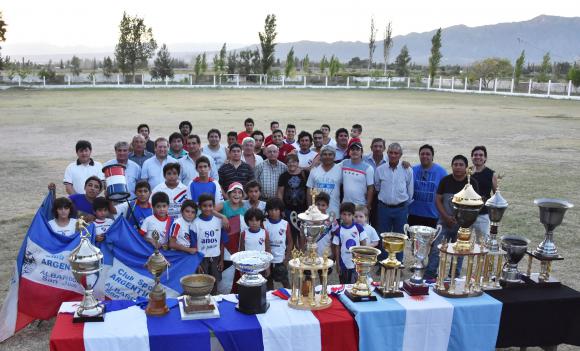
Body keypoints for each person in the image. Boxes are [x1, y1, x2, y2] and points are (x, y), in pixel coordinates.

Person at [424, 155, 479, 280]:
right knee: (436, 249)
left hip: (463, 226)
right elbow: (438, 200)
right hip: (444, 222)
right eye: (455, 164)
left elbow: (476, 203)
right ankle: (430, 275)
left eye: (461, 165)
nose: (458, 167)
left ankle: (454, 276)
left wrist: (464, 221)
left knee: (460, 252)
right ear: (452, 166)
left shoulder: (472, 183)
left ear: (466, 167)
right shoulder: (445, 180)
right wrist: (446, 217)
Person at [374, 142, 413, 261]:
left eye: (396, 153)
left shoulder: (407, 169)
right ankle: (383, 262)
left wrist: (404, 204)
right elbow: (377, 186)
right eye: (391, 152)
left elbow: (410, 190)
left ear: (400, 155)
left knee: (400, 237)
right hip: (384, 208)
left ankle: (398, 262)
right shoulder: (380, 169)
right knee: (383, 236)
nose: (393, 155)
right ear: (387, 153)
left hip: (401, 208)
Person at [191, 193, 228, 294]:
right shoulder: (195, 224)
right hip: (202, 259)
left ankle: (214, 302)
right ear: (199, 207)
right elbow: (193, 247)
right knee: (202, 283)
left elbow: (222, 243)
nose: (207, 208)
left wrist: (221, 260)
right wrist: (197, 264)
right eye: (204, 206)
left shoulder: (219, 221)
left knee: (214, 283)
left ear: (213, 206)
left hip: (216, 258)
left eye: (210, 206)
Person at [408, 144, 448, 228]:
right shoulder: (412, 170)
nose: (424, 156)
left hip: (433, 216)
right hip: (414, 214)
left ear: (432, 156)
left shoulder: (441, 172)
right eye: (422, 154)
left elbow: (444, 195)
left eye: (428, 154)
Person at [277, 153, 308, 247]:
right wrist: (281, 209)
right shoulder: (283, 176)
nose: (291, 164)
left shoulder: (305, 174)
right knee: (291, 233)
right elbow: (280, 193)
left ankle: (302, 252)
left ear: (298, 163)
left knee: (302, 233)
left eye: (294, 162)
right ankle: (293, 253)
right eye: (289, 162)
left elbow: (309, 192)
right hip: (288, 210)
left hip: (303, 210)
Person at [332, 202, 368, 284]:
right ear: (340, 215)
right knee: (344, 285)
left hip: (356, 262)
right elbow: (337, 247)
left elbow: (364, 244)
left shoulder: (359, 228)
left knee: (356, 284)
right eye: (344, 214)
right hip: (343, 262)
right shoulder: (338, 230)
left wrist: (363, 260)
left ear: (353, 215)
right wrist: (337, 263)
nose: (346, 217)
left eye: (349, 215)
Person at [264, 197, 293, 289]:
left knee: (285, 282)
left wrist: (287, 258)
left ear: (280, 211)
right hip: (267, 260)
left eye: (276, 210)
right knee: (268, 283)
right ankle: (270, 301)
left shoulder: (285, 224)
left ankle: (290, 298)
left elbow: (290, 242)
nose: (273, 212)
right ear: (267, 211)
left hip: (280, 259)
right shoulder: (264, 223)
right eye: (271, 210)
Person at [471, 145, 498, 243]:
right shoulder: (466, 172)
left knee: (482, 244)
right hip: (466, 214)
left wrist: (494, 215)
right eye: (475, 155)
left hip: (483, 214)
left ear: (485, 158)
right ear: (472, 157)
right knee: (462, 241)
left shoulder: (491, 174)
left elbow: (496, 195)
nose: (478, 157)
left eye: (481, 155)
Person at [307, 145, 342, 217]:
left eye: (330, 154)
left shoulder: (340, 169)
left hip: (334, 211)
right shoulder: (314, 170)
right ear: (321, 156)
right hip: (317, 212)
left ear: (334, 156)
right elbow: (309, 190)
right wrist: (310, 208)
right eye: (325, 154)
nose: (327, 157)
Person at [341, 141, 374, 210]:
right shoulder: (344, 163)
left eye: (357, 150)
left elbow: (370, 188)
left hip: (361, 205)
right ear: (349, 152)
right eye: (352, 149)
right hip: (346, 204)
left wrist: (368, 205)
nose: (355, 151)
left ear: (361, 152)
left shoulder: (368, 168)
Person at [314, 192, 336, 258]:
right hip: (312, 254)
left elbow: (335, 238)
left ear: (327, 206)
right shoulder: (310, 219)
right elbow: (304, 236)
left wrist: (333, 252)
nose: (320, 207)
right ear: (314, 204)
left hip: (327, 254)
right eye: (318, 204)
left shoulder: (332, 220)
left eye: (323, 205)